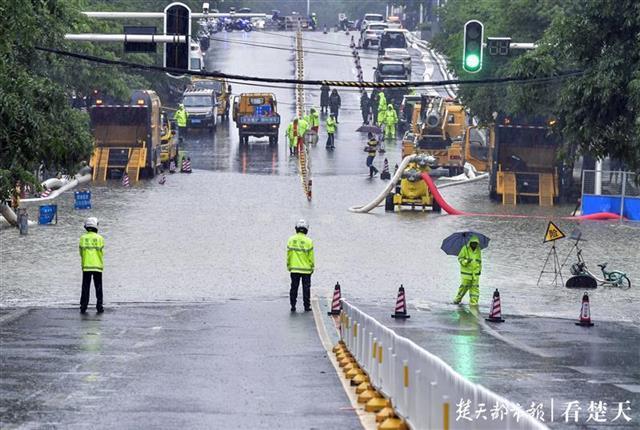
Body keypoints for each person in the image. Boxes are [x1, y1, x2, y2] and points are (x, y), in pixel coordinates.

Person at [286, 219, 315, 312]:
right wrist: (312, 267)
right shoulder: (309, 241)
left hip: (294, 269)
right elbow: (311, 257)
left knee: (294, 287)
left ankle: (293, 305)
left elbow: (289, 254)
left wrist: (289, 265)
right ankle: (306, 306)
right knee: (306, 288)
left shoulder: (291, 240)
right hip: (306, 270)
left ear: (296, 228)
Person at [79, 217, 104, 314]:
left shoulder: (82, 238)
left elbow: (81, 252)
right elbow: (101, 252)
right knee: (98, 287)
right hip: (97, 266)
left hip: (86, 266)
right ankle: (99, 306)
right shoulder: (100, 238)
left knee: (85, 287)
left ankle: (83, 306)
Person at [453, 236, 482, 306]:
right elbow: (460, 258)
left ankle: (474, 302)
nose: (474, 244)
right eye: (473, 243)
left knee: (475, 288)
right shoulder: (464, 249)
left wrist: (480, 270)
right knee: (464, 287)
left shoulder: (478, 250)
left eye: (476, 243)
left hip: (475, 274)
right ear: (470, 243)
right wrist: (466, 261)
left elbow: (480, 261)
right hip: (466, 273)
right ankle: (457, 299)